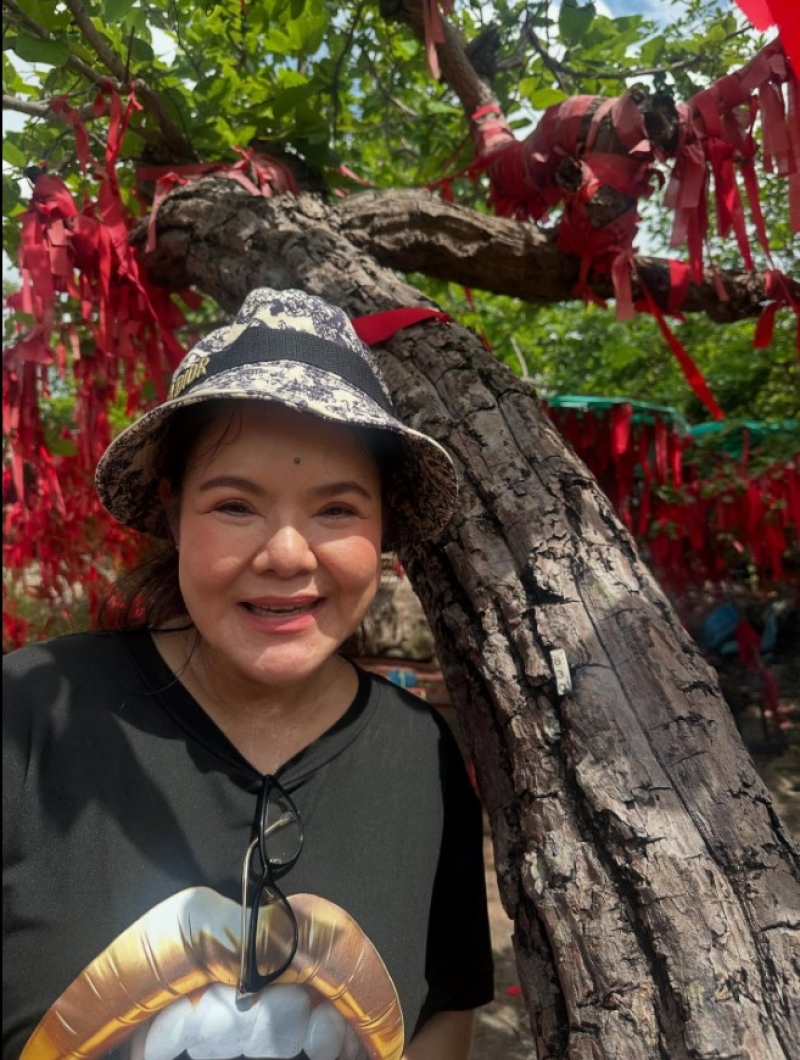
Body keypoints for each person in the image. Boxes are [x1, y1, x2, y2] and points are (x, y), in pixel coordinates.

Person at [3, 287, 494, 1060]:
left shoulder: (422, 756)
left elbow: (442, 1012)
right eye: (235, 505)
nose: (288, 556)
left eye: (338, 509)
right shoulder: (28, 717)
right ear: (173, 510)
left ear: (383, 527)